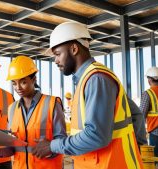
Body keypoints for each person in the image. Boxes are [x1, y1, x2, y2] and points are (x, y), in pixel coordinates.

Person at [32, 22, 144, 169]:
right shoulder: (91, 78)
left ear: (74, 48)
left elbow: (96, 136)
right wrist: (138, 148)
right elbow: (136, 115)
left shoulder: (96, 79)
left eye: (58, 54)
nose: (56, 61)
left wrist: (53, 146)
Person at [0, 55, 66, 169]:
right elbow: (12, 148)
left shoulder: (52, 104)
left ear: (34, 79)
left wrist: (50, 148)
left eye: (23, 82)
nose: (18, 88)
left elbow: (63, 142)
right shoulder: (12, 109)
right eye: (14, 83)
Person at [140, 67, 158, 168]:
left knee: (157, 161)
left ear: (149, 80)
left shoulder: (148, 93)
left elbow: (141, 115)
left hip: (157, 132)